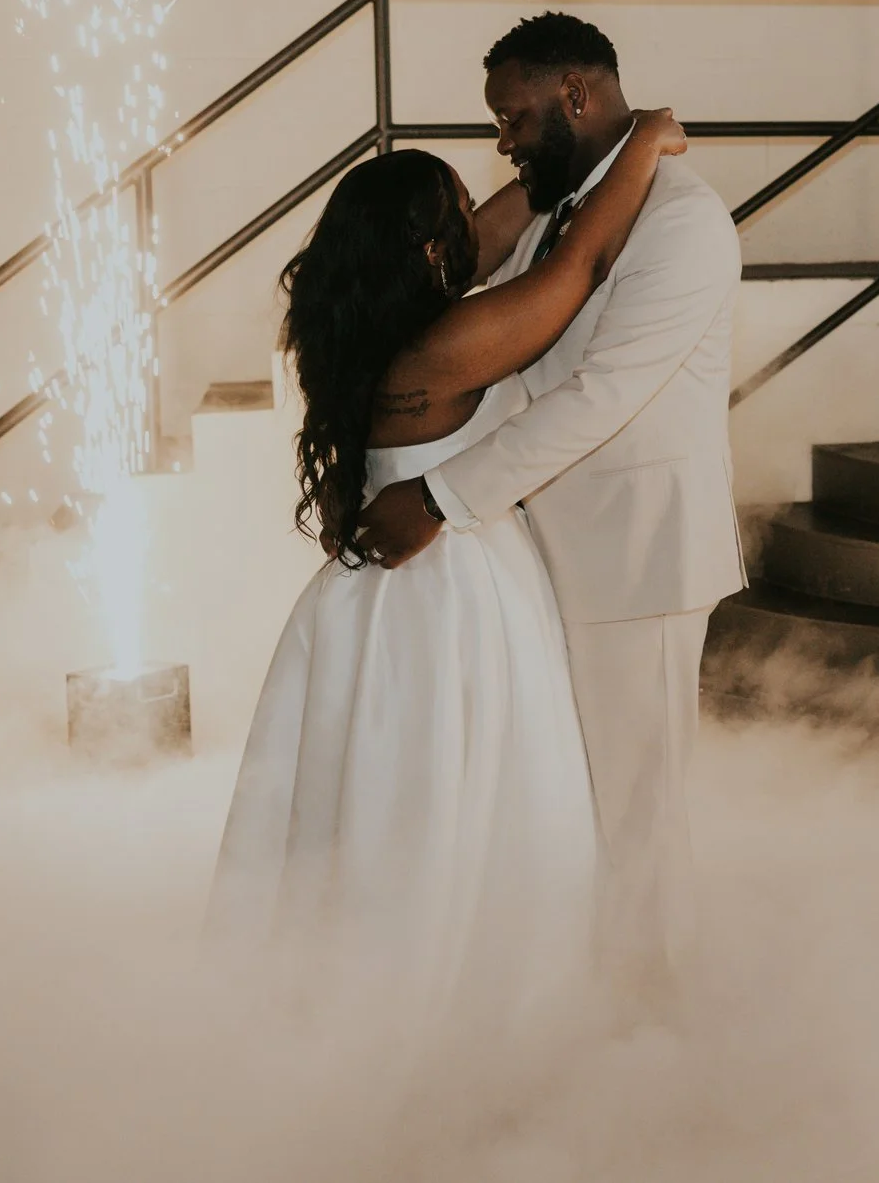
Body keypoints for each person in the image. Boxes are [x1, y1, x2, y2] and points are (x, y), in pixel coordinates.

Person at [206, 110, 689, 1029]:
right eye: (461, 210)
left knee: (378, 804)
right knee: (465, 806)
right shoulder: (447, 346)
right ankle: (462, 1014)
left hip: (368, 605)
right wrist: (641, 141)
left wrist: (545, 177)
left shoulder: (359, 329)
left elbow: (498, 229)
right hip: (451, 596)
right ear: (430, 251)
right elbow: (577, 267)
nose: (482, 218)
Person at [357, 12, 747, 1020]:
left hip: (636, 558)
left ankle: (656, 1015)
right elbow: (468, 265)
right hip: (546, 552)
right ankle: (588, 999)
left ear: (576, 94)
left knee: (638, 807)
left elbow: (599, 395)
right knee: (572, 803)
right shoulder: (560, 210)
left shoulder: (684, 221)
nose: (503, 140)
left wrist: (437, 496)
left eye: (514, 117)